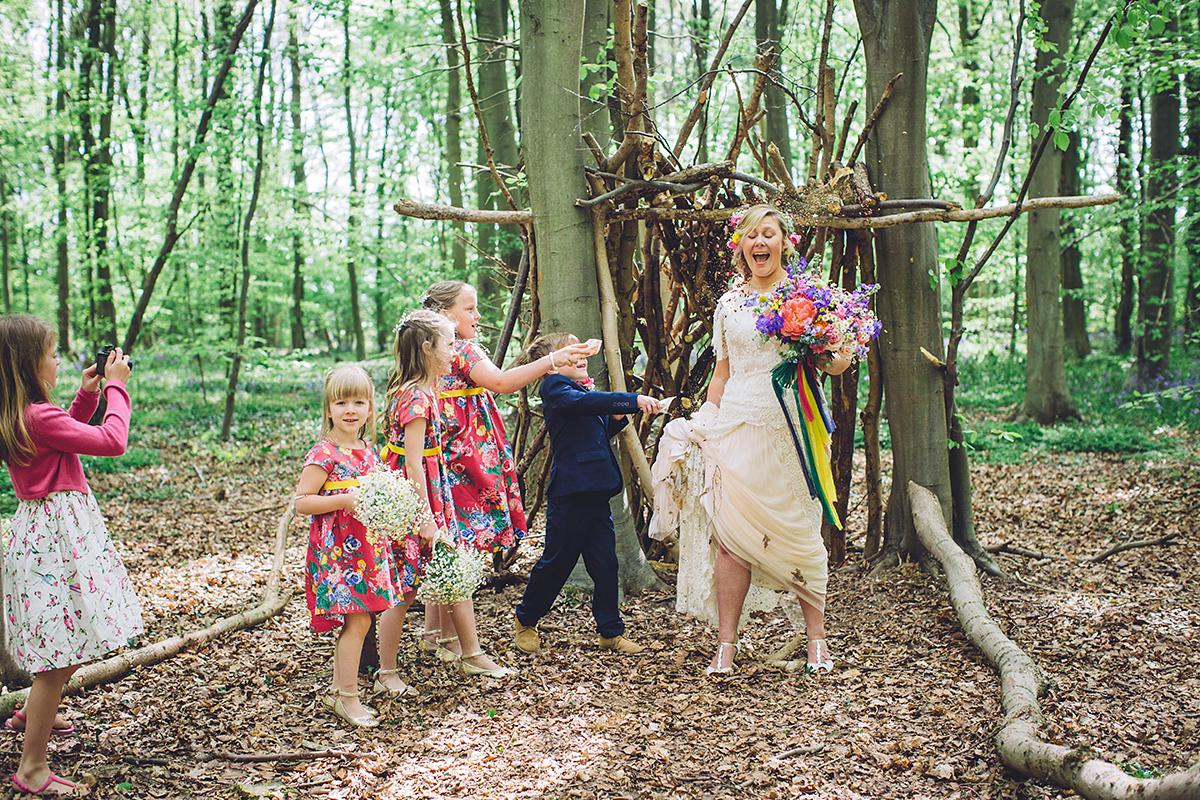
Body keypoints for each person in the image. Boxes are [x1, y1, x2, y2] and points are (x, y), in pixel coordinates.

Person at [661, 204, 853, 676]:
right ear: (741, 246)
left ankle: (817, 643)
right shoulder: (728, 304)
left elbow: (839, 364)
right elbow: (721, 373)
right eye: (751, 236)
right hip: (736, 427)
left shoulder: (811, 298)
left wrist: (828, 349)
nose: (759, 243)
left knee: (803, 533)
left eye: (769, 234)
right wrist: (705, 422)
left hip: (792, 426)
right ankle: (726, 647)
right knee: (731, 541)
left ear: (786, 242)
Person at [0, 315, 145, 796]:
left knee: (74, 632)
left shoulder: (22, 414)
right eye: (53, 354)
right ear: (29, 365)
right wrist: (116, 390)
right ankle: (32, 770)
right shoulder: (38, 417)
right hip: (58, 540)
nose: (59, 361)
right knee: (60, 655)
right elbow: (112, 440)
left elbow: (66, 434)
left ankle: (30, 715)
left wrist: (86, 396)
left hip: (45, 535)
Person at [417, 281, 590, 662]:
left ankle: (435, 633)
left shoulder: (437, 349)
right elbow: (501, 383)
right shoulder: (459, 348)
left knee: (448, 539)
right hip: (464, 457)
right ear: (445, 314)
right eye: (470, 309)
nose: (478, 316)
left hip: (451, 450)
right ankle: (448, 640)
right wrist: (553, 361)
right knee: (458, 541)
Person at [512, 333, 663, 655]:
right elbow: (581, 404)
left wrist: (618, 418)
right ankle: (526, 620)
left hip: (597, 490)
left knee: (607, 564)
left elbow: (596, 429)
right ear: (551, 366)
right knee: (557, 562)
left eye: (582, 350)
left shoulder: (580, 391)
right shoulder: (554, 388)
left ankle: (610, 632)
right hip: (571, 493)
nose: (581, 356)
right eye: (570, 352)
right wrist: (631, 400)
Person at [382, 310, 512, 678]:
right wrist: (424, 517)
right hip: (418, 500)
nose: (456, 352)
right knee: (404, 589)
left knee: (453, 568)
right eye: (450, 344)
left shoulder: (427, 391)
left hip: (435, 493)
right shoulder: (416, 400)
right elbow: (410, 464)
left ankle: (471, 653)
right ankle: (386, 674)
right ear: (428, 349)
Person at [293, 364, 414, 729]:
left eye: (359, 402)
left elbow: (377, 495)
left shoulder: (367, 449)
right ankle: (347, 697)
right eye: (341, 402)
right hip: (338, 553)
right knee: (357, 621)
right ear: (328, 408)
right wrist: (344, 500)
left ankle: (339, 689)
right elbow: (302, 501)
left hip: (367, 549)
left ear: (370, 408)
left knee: (364, 618)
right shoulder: (324, 453)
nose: (350, 410)